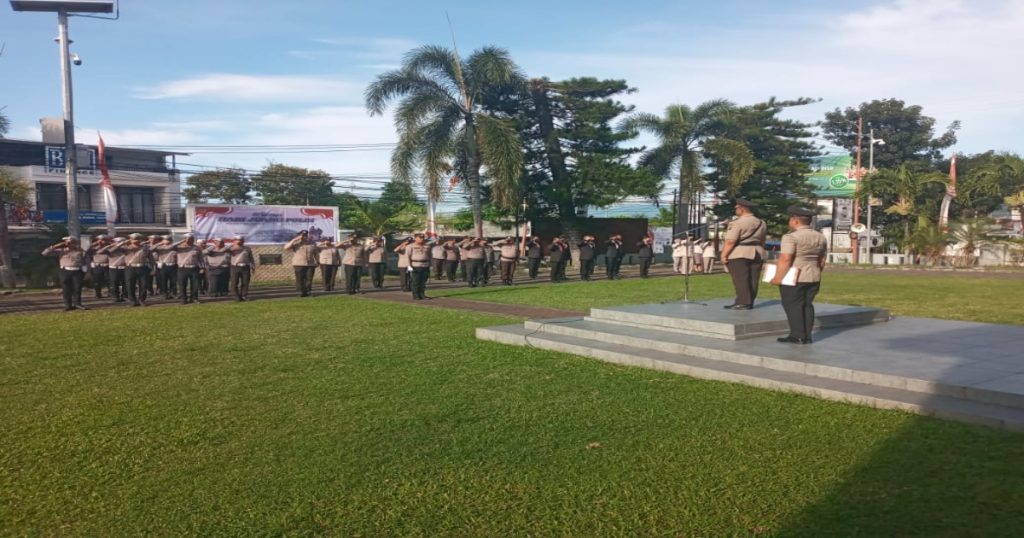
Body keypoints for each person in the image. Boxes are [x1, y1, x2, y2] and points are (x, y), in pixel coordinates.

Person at [773, 206, 828, 344]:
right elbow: (822, 259)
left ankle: (797, 335)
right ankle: (806, 336)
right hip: (813, 275)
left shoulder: (790, 237)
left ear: (795, 221)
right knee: (807, 305)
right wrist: (817, 271)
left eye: (790, 219)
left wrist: (778, 277)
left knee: (792, 305)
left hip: (794, 276)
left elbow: (786, 258)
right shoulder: (820, 236)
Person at [720, 198, 767, 310]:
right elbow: (763, 240)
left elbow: (731, 241)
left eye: (736, 208)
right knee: (753, 279)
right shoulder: (761, 222)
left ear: (741, 209)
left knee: (740, 279)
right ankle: (749, 301)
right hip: (757, 251)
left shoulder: (737, 223)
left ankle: (742, 302)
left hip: (740, 252)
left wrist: (724, 255)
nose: (735, 210)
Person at [41, 236, 87, 311]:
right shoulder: (61, 250)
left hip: (77, 271)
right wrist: (59, 245)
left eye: (72, 242)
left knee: (77, 288)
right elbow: (44, 253)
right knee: (66, 289)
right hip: (65, 271)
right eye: (68, 243)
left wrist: (85, 271)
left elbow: (85, 260)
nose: (70, 244)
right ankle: (68, 305)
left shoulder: (80, 250)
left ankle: (78, 304)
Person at [119, 233, 153, 306]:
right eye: (134, 239)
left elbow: (151, 259)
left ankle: (142, 300)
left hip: (142, 267)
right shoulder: (126, 248)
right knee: (130, 285)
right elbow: (114, 249)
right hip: (130, 268)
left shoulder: (145, 248)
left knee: (143, 285)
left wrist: (153, 269)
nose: (136, 240)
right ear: (130, 240)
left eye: (138, 239)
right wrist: (124, 242)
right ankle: (132, 301)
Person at [284, 230, 319, 297]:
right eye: (303, 235)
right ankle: (301, 292)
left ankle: (308, 292)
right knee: (300, 279)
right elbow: (286, 248)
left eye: (305, 235)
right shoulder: (296, 243)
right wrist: (294, 239)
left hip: (310, 264)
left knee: (309, 279)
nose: (304, 237)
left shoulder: (312, 243)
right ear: (299, 235)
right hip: (299, 263)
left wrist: (318, 261)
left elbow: (316, 253)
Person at [172, 234, 205, 304]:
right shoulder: (179, 247)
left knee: (195, 285)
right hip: (182, 268)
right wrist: (181, 241)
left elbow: (201, 259)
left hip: (194, 268)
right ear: (184, 239)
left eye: (191, 239)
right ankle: (183, 299)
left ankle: (194, 298)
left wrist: (202, 267)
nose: (190, 240)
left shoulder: (197, 247)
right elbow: (171, 246)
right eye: (188, 238)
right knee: (182, 284)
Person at [228, 234, 255, 301]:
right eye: (237, 240)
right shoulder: (230, 248)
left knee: (245, 282)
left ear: (243, 241)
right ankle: (236, 297)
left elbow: (251, 258)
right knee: (234, 283)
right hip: (235, 267)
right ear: (234, 241)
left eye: (240, 240)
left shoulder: (247, 248)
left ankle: (244, 296)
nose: (239, 241)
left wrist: (253, 266)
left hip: (245, 267)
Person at [100, 237, 128, 303]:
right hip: (114, 268)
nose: (120, 244)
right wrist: (114, 245)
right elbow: (101, 251)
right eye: (118, 242)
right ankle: (116, 296)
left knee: (125, 283)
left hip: (124, 267)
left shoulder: (126, 249)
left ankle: (125, 296)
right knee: (114, 283)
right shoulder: (110, 249)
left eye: (121, 242)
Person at [406, 233, 433, 300]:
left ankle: (422, 294)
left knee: (423, 281)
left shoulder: (427, 246)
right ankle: (416, 295)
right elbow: (407, 257)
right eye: (420, 238)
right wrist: (409, 266)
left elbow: (430, 255)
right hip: (415, 265)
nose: (422, 239)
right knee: (416, 281)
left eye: (423, 238)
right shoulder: (410, 246)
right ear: (415, 238)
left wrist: (431, 264)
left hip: (425, 265)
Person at [154, 235, 179, 300]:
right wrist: (160, 243)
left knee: (173, 281)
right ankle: (165, 294)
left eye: (169, 240)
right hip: (163, 266)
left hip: (173, 266)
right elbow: (151, 249)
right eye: (166, 239)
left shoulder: (175, 247)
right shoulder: (159, 248)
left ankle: (173, 293)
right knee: (163, 281)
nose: (167, 241)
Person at [87, 235, 110, 299]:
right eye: (100, 240)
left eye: (103, 240)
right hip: (98, 266)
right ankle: (98, 293)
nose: (102, 241)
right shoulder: (93, 248)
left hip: (107, 266)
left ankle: (110, 292)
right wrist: (96, 244)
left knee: (109, 280)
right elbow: (88, 252)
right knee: (97, 281)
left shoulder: (109, 247)